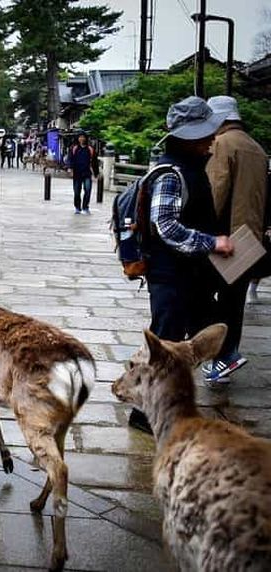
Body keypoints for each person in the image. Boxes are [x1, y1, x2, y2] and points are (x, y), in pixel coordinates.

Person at [128, 96, 234, 434]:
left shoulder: (187, 167)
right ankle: (144, 412)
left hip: (185, 275)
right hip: (170, 275)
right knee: (164, 345)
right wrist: (211, 242)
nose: (211, 140)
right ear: (189, 138)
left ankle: (158, 407)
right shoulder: (172, 174)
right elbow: (166, 225)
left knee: (171, 343)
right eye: (205, 135)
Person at [203, 95, 269, 383]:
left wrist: (200, 229)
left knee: (204, 296)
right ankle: (226, 358)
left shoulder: (222, 144)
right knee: (234, 300)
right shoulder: (256, 148)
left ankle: (222, 354)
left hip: (223, 236)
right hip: (250, 236)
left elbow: (216, 191)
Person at [68, 132, 99, 214]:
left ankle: (85, 207)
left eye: (83, 137)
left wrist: (96, 173)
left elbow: (95, 162)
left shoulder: (90, 149)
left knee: (88, 190)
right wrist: (70, 169)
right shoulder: (74, 148)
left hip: (87, 173)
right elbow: (70, 159)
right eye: (80, 137)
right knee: (77, 191)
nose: (82, 139)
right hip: (77, 173)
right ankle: (77, 207)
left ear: (86, 138)